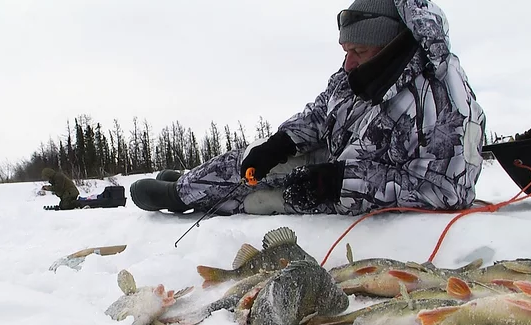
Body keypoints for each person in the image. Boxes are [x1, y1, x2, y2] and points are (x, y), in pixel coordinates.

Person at [130, 0, 486, 216]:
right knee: (258, 158)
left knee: (262, 199)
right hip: (333, 166)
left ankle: (185, 196)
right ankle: (193, 184)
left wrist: (339, 183)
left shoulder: (444, 95)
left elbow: (447, 191)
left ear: (390, 45)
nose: (347, 63)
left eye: (358, 52)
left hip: (352, 193)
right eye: (344, 50)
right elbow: (321, 112)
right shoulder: (362, 73)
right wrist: (282, 142)